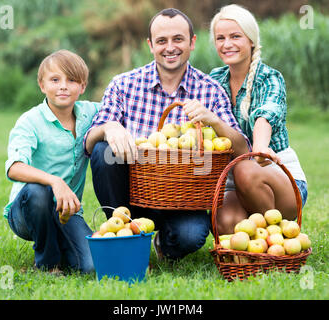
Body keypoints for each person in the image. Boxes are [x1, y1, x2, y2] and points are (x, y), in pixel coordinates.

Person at [84, 8, 250, 260]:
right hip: (132, 195)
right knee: (103, 151)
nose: (169, 47)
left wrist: (214, 121)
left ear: (192, 42)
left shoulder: (210, 90)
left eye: (178, 39)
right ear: (150, 45)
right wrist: (109, 127)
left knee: (192, 235)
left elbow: (243, 151)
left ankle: (163, 243)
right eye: (161, 41)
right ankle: (122, 234)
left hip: (182, 197)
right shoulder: (124, 84)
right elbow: (87, 143)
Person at [209, 4, 307, 234]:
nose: (227, 44)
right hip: (233, 182)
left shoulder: (269, 78)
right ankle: (256, 242)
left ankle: (276, 237)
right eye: (220, 38)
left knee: (246, 168)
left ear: (251, 40)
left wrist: (261, 147)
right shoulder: (215, 79)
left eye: (235, 36)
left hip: (278, 177)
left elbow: (266, 113)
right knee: (224, 224)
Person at [4, 49, 101, 274]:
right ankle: (47, 264)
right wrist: (55, 181)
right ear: (42, 85)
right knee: (39, 191)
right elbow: (14, 167)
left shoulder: (90, 113)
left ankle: (63, 247)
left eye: (72, 80)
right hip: (27, 212)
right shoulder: (30, 121)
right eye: (55, 80)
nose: (63, 86)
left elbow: (119, 111)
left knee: (90, 267)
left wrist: (113, 126)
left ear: (83, 86)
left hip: (67, 212)